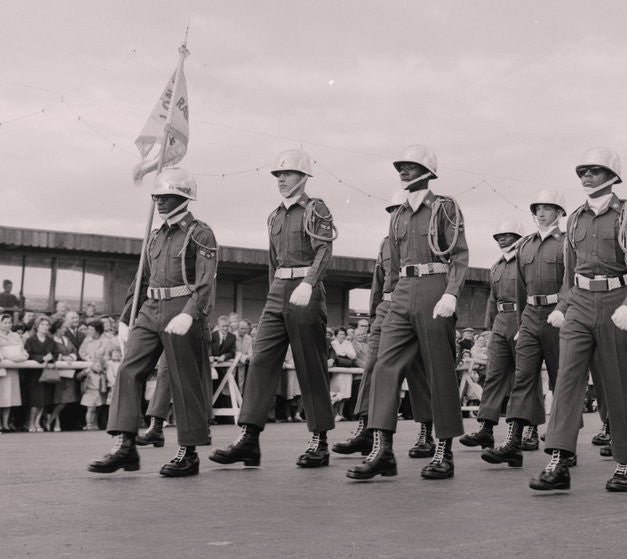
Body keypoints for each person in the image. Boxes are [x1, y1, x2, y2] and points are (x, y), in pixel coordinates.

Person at [528, 147, 627, 493]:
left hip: (616, 300)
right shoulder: (575, 219)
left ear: (611, 176)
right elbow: (570, 271)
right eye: (582, 171)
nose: (585, 176)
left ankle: (626, 462)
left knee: (618, 382)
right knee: (566, 379)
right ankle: (558, 459)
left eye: (593, 170)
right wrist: (563, 305)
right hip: (580, 303)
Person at [348, 145, 469, 482]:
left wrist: (451, 292)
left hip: (434, 287)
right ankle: (382, 450)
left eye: (410, 166)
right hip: (402, 292)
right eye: (400, 166)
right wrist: (388, 301)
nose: (402, 171)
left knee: (439, 372)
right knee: (384, 367)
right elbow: (394, 267)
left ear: (427, 172)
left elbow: (459, 254)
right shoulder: (398, 215)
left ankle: (443, 452)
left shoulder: (444, 208)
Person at [88, 166, 218, 477]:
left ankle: (188, 452)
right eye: (156, 196)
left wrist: (190, 312)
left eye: (166, 195)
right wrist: (125, 318)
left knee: (184, 381)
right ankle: (125, 445)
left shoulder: (200, 233)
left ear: (184, 197)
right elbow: (141, 280)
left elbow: (206, 281)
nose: (159, 201)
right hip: (150, 307)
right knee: (129, 370)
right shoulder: (155, 235)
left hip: (181, 307)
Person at [210, 149, 337, 469]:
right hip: (278, 291)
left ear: (303, 177)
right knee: (261, 361)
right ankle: (249, 438)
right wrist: (273, 294)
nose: (280, 179)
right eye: (278, 174)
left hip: (305, 290)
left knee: (309, 365)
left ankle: (319, 439)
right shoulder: (275, 216)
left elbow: (324, 251)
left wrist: (309, 283)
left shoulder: (315, 209)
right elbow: (272, 262)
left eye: (287, 173)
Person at [332, 191, 435, 460]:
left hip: (413, 307)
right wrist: (374, 314)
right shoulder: (385, 243)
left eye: (398, 210)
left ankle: (426, 433)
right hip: (386, 309)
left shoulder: (426, 238)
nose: (395, 216)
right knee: (373, 368)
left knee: (417, 372)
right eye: (391, 212)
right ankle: (365, 430)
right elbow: (378, 282)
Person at [483, 190, 566, 468]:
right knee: (522, 377)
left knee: (561, 380)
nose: (540, 213)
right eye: (537, 209)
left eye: (547, 208)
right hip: (530, 316)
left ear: (559, 212)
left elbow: (571, 282)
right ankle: (513, 443)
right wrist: (521, 324)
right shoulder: (525, 246)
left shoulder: (567, 244)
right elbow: (520, 288)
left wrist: (565, 311)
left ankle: (565, 444)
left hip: (558, 315)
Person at [460, 219, 523, 451]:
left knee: (523, 378)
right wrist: (490, 326)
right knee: (494, 375)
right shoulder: (496, 266)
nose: (501, 239)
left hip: (521, 319)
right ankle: (486, 429)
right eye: (498, 237)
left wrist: (526, 323)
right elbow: (492, 299)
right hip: (501, 321)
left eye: (506, 235)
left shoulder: (525, 262)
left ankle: (524, 433)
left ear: (518, 237)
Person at [0, 313, 27, 431]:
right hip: (2, 371)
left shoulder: (15, 336)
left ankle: (6, 423)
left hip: (13, 371)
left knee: (9, 398)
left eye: (9, 323)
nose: (8, 325)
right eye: (5, 323)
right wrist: (8, 356)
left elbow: (23, 351)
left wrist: (22, 357)